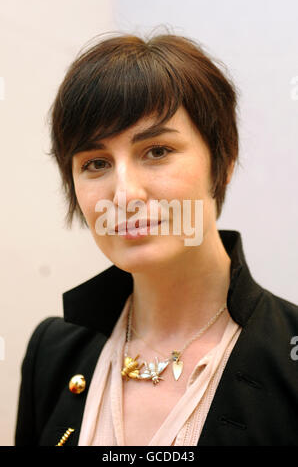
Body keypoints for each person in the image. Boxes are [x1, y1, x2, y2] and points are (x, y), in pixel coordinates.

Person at [15, 31, 298, 447]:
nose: (125, 194)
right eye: (96, 163)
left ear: (223, 161)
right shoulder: (53, 353)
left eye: (157, 151)